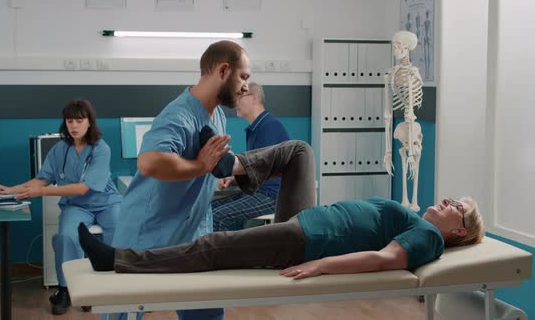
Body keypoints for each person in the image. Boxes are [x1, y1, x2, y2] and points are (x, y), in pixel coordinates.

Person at [79, 140, 485, 280]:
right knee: (299, 152)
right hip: (309, 220)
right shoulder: (421, 222)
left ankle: (116, 259)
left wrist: (321, 266)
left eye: (457, 207)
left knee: (215, 245)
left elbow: (385, 260)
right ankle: (232, 166)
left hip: (310, 240)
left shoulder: (428, 236)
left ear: (460, 231)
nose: (448, 201)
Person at [109, 40, 251, 320]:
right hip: (149, 232)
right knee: (123, 312)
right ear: (223, 70)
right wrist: (200, 166)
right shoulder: (179, 114)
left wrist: (215, 176)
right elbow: (149, 162)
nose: (246, 86)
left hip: (192, 232)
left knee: (206, 311)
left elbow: (210, 160)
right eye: (243, 77)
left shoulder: (217, 114)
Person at [0, 100, 122, 315]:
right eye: (70, 121)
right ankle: (66, 289)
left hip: (106, 203)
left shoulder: (101, 149)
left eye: (79, 120)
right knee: (66, 236)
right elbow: (43, 179)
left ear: (89, 123)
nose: (74, 126)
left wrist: (41, 192)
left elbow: (82, 188)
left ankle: (111, 287)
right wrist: (10, 189)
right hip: (77, 207)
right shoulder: (61, 149)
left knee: (120, 232)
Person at [212, 82, 289, 231]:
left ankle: (223, 254)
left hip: (272, 196)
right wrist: (234, 180)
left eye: (239, 97)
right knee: (210, 210)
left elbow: (262, 169)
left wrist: (234, 171)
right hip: (260, 192)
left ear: (254, 98)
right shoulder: (255, 128)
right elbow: (257, 170)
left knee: (217, 217)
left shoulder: (268, 126)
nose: (235, 103)